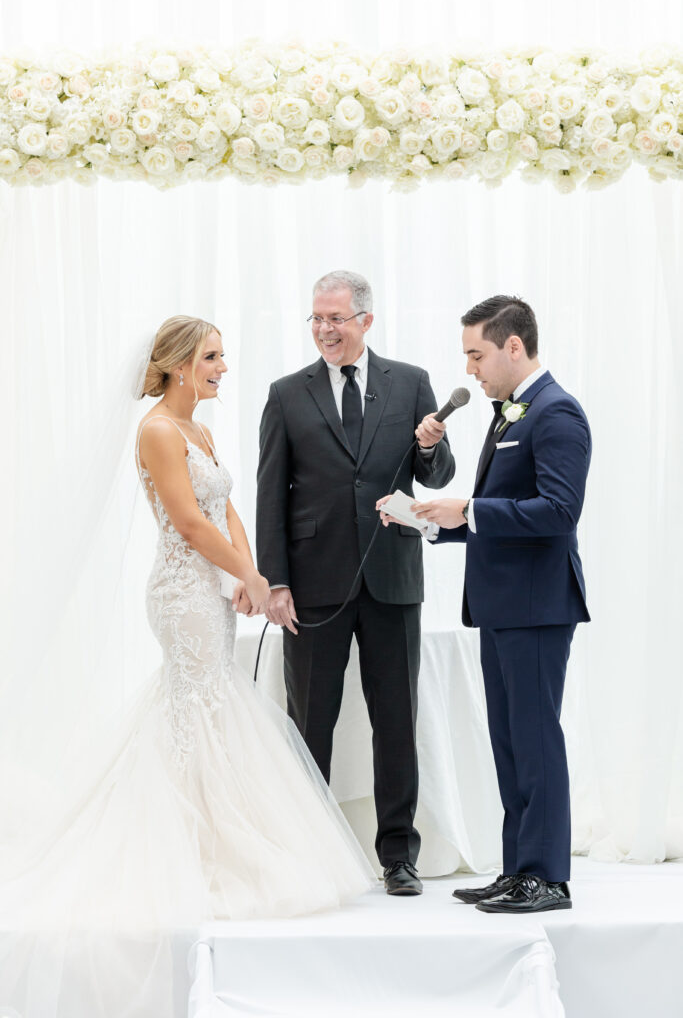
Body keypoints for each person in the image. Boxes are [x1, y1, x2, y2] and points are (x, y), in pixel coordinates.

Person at [0, 315, 374, 1018]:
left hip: (210, 588)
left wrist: (247, 574)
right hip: (178, 594)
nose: (222, 367)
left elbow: (225, 508)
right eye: (211, 356)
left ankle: (210, 840)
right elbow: (188, 521)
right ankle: (186, 852)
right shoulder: (157, 431)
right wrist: (250, 578)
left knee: (207, 705)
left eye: (222, 355)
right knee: (198, 704)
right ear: (177, 366)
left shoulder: (198, 430)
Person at [379, 295, 591, 913]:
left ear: (514, 347)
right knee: (508, 742)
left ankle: (548, 877)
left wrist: (467, 509)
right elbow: (501, 511)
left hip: (538, 605)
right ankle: (519, 867)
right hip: (501, 605)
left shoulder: (557, 414)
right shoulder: (507, 414)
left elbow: (558, 512)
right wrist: (425, 522)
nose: (470, 368)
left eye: (477, 354)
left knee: (535, 740)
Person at [256, 271, 455, 896]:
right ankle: (308, 852)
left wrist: (431, 445)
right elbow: (270, 495)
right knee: (310, 722)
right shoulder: (287, 393)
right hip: (312, 585)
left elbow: (436, 472)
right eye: (316, 319)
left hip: (393, 576)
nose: (324, 330)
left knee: (396, 721)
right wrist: (276, 581)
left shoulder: (412, 382)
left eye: (335, 319)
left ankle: (399, 856)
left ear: (365, 321)